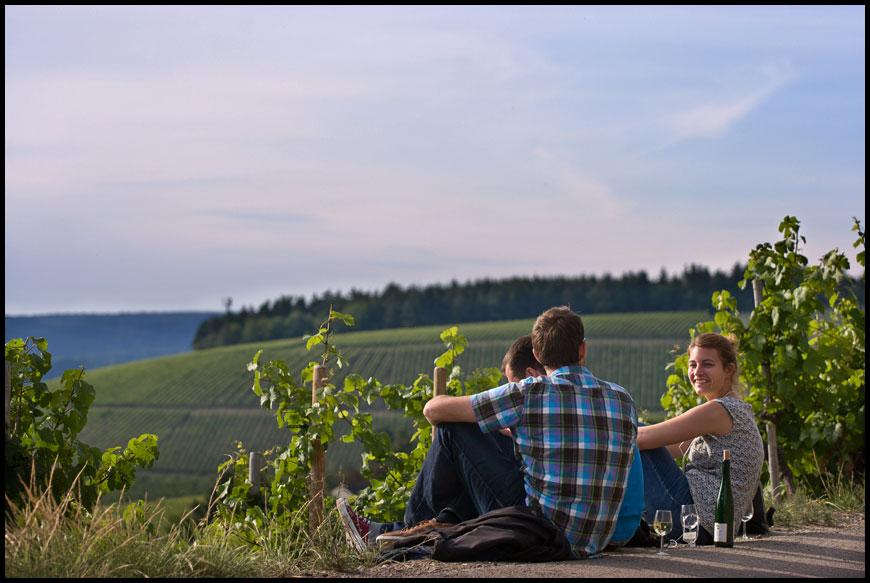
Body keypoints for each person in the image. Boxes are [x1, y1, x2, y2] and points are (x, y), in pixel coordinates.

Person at [338, 306, 638, 558]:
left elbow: (433, 410)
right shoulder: (622, 399)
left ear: (536, 353)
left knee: (455, 429)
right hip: (591, 542)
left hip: (538, 532)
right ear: (582, 349)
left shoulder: (530, 393)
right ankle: (417, 529)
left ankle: (404, 533)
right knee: (492, 438)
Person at [636, 332, 764, 544]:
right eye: (692, 365)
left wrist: (599, 430)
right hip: (709, 526)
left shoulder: (720, 410)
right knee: (634, 440)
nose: (697, 372)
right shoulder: (734, 410)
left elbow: (642, 439)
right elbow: (666, 449)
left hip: (694, 520)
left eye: (707, 365)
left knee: (635, 432)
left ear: (728, 370)